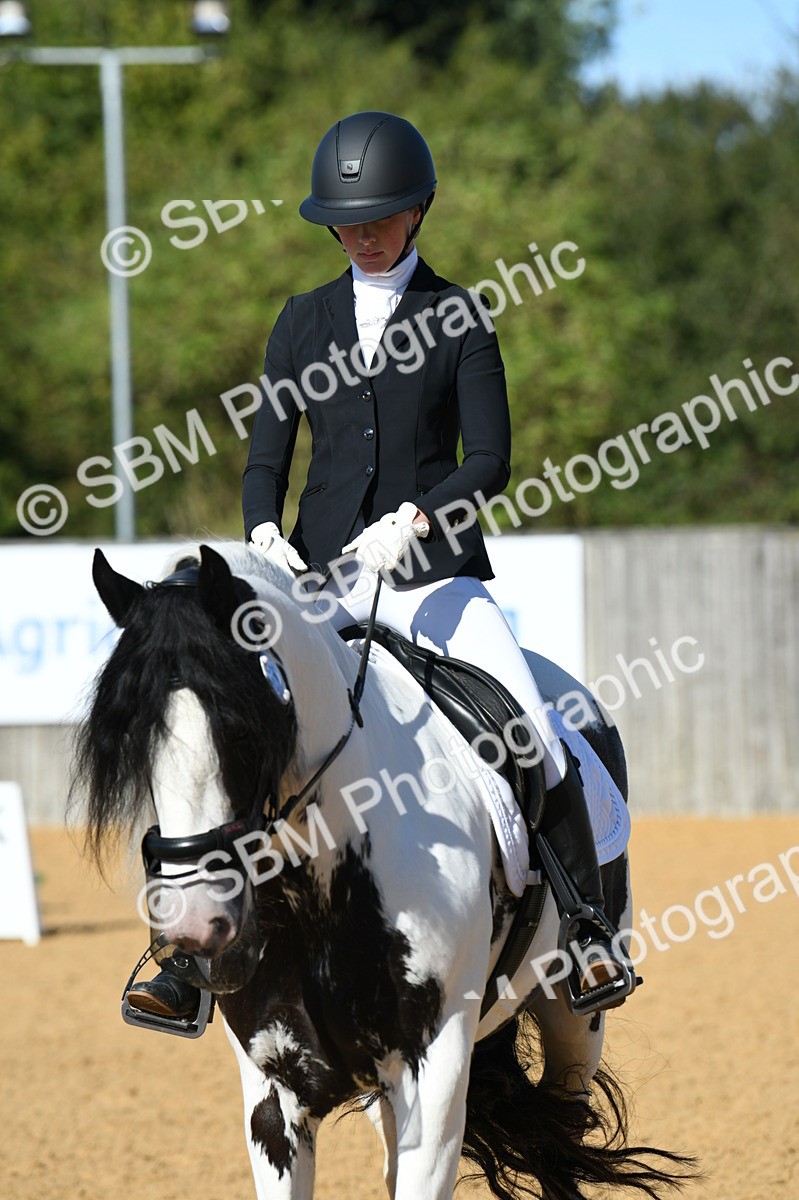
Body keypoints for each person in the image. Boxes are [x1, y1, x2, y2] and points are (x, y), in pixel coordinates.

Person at [128, 111, 628, 1021]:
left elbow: (489, 461)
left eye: (381, 217)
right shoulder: (301, 319)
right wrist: (262, 533)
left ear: (418, 212)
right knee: (222, 732)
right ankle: (184, 961)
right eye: (347, 220)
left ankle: (586, 933)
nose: (362, 233)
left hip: (433, 579)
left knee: (535, 733)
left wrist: (416, 520)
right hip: (319, 588)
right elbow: (265, 458)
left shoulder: (458, 315)